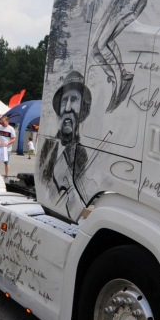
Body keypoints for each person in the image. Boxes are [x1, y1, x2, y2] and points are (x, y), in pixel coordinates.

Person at [40, 70, 96, 219]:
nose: (68, 107)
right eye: (64, 100)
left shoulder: (81, 153)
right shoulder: (48, 146)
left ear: (83, 109)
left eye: (74, 100)